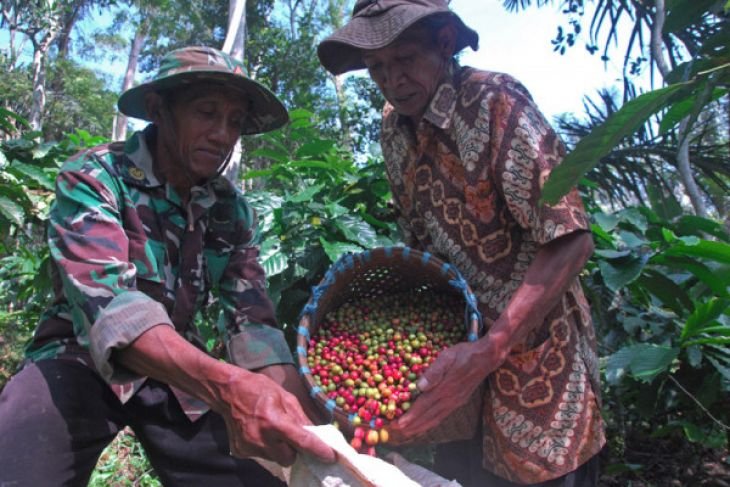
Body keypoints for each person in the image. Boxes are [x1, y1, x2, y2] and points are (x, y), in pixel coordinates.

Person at [0, 46, 335, 486]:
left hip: (178, 371)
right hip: (78, 358)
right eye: (206, 113)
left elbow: (252, 324)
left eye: (234, 121)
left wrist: (316, 427)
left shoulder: (230, 210)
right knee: (21, 453)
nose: (222, 134)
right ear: (159, 110)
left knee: (260, 476)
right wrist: (230, 387)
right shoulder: (94, 177)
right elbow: (114, 311)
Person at [318, 1, 606, 485]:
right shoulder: (394, 129)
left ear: (445, 43)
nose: (392, 80)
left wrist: (492, 348)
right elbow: (424, 252)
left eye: (404, 59)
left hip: (540, 368)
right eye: (377, 69)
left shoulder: (496, 102)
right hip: (459, 374)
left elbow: (571, 238)